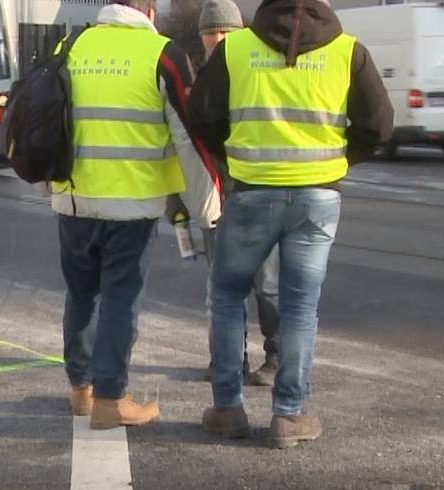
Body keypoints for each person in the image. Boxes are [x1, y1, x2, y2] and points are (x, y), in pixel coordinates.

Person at [187, 0, 392, 448]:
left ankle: (227, 409)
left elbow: (199, 114)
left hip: (251, 191)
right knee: (301, 306)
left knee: (226, 296)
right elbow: (379, 125)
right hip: (318, 197)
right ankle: (288, 415)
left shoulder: (235, 49)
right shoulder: (348, 51)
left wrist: (233, 156)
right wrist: (337, 161)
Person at [56, 0, 205, 430]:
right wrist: (206, 206)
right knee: (121, 299)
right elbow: (187, 137)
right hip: (133, 205)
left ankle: (80, 390)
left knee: (81, 293)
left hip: (73, 199)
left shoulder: (72, 45)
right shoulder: (163, 54)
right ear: (149, 11)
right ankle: (110, 399)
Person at [189, 0, 285, 389]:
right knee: (221, 286)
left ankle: (277, 356)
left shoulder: (254, 71)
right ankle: (229, 359)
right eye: (211, 33)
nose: (217, 39)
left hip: (255, 192)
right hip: (217, 196)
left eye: (224, 32)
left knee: (267, 283)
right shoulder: (197, 79)